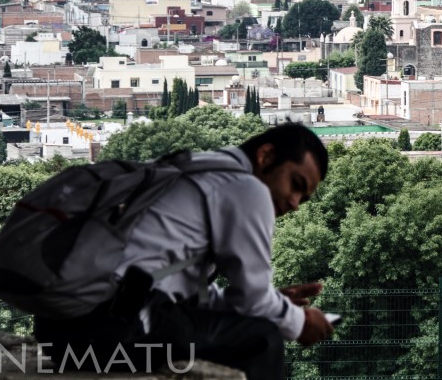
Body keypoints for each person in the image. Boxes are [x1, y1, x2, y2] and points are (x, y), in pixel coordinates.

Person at [33, 125, 335, 380]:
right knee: (263, 338)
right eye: (296, 185)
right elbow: (252, 298)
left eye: (303, 198)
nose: (294, 202)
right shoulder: (247, 188)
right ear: (265, 156)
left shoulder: (197, 169)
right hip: (110, 332)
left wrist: (271, 303)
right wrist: (301, 322)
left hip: (61, 332)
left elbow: (184, 290)